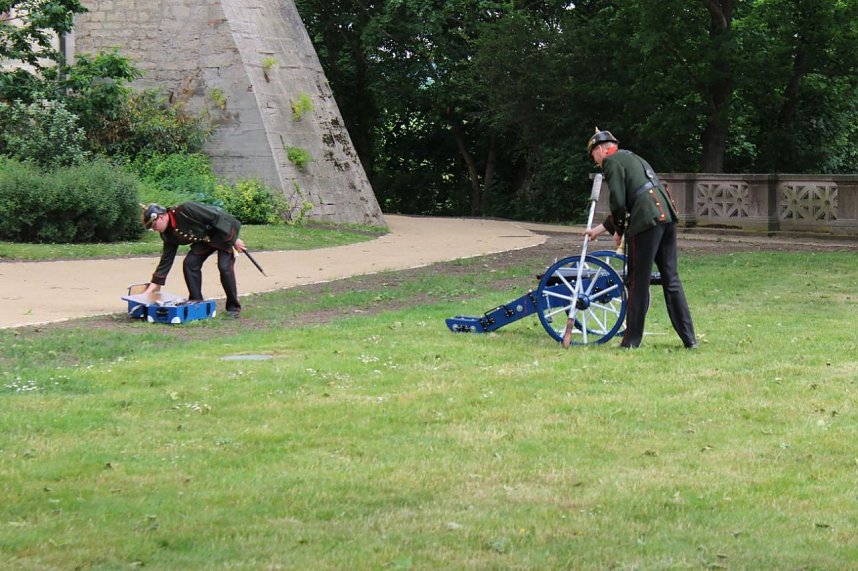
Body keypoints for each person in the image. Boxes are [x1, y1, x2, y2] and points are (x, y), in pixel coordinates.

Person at [583, 129, 697, 349]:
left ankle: (631, 341)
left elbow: (618, 200)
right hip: (666, 217)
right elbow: (636, 193)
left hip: (646, 221)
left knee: (637, 282)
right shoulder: (631, 157)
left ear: (601, 149)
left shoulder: (611, 161)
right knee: (671, 280)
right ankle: (689, 339)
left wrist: (620, 228)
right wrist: (602, 229)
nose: (595, 163)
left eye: (594, 157)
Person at [141, 201, 246, 318]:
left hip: (223, 232)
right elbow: (166, 259)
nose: (154, 230)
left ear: (160, 217)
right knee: (190, 264)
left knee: (224, 266)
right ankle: (197, 304)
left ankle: (233, 308)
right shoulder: (167, 234)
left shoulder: (186, 209)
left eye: (154, 226)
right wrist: (152, 287)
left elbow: (216, 217)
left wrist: (234, 239)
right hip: (205, 239)